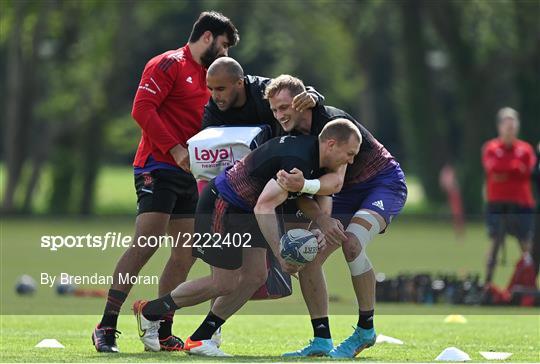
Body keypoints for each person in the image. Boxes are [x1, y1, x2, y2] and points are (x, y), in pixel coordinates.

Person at [132, 120, 362, 356]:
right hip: (223, 204)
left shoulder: (318, 160)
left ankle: (200, 339)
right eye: (350, 154)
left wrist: (319, 226)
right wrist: (282, 253)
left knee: (255, 276)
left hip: (246, 210)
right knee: (224, 282)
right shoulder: (299, 161)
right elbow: (264, 206)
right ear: (331, 144)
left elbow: (318, 194)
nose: (351, 161)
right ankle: (151, 311)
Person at [91, 11, 239, 353]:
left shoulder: (212, 77)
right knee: (147, 243)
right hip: (157, 166)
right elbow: (142, 109)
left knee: (185, 254)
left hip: (192, 173)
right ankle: (107, 326)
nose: (226, 53)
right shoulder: (168, 63)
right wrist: (174, 150)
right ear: (206, 37)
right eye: (224, 44)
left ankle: (160, 330)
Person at [266, 75, 408, 358]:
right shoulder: (292, 140)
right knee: (309, 257)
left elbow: (334, 183)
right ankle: (321, 340)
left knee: (352, 242)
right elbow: (302, 195)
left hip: (383, 183)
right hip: (344, 194)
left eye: (284, 108)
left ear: (301, 101)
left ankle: (365, 330)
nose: (280, 116)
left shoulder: (330, 120)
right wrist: (320, 218)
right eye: (274, 110)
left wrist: (307, 192)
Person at [481, 107, 536, 286]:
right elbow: (493, 170)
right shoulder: (491, 148)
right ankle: (488, 283)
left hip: (522, 204)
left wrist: (506, 170)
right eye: (507, 126)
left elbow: (527, 171)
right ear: (500, 127)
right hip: (496, 203)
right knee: (494, 242)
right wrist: (514, 169)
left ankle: (530, 282)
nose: (510, 130)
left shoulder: (526, 149)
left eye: (512, 126)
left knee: (526, 244)